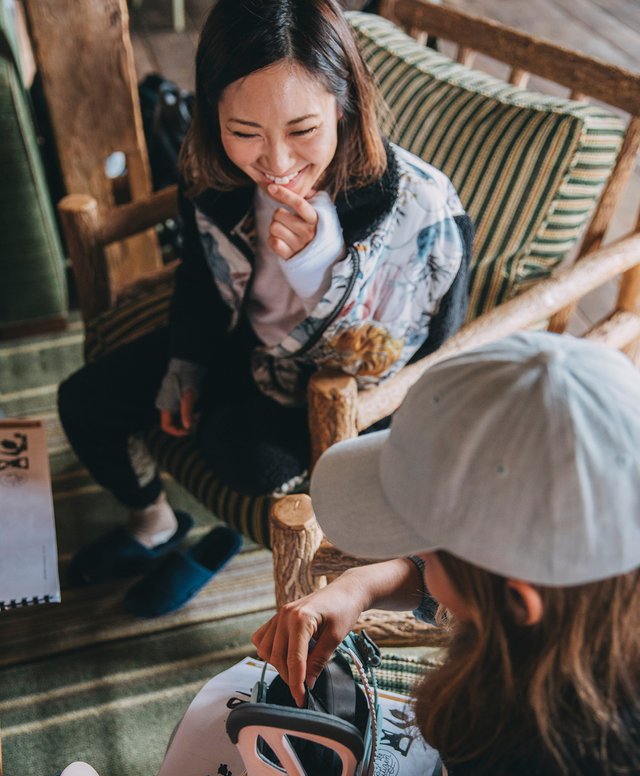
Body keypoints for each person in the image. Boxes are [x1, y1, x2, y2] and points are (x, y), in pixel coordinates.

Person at [57, 0, 472, 612]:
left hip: (337, 388)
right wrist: (187, 364)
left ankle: (220, 516)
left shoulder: (421, 210)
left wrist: (319, 262)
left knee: (242, 457)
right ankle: (154, 526)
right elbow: (201, 275)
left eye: (302, 130)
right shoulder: (212, 176)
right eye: (244, 131)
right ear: (212, 115)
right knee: (83, 399)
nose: (275, 165)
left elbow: (408, 360)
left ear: (345, 106)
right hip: (240, 343)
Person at [252, 330, 640, 776]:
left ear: (516, 603)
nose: (415, 564)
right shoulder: (604, 574)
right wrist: (363, 585)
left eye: (426, 554)